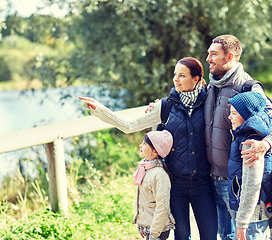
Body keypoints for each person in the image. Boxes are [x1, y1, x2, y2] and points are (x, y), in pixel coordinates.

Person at [79, 57, 218, 240]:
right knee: (182, 236)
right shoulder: (165, 106)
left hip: (203, 184)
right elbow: (129, 125)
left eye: (182, 75)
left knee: (210, 235)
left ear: (197, 79)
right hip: (176, 185)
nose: (176, 79)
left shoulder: (209, 102)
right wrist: (100, 110)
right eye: (175, 74)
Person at [204, 34, 272, 240]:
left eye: (213, 54)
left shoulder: (249, 88)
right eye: (208, 54)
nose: (208, 58)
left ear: (230, 56)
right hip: (213, 180)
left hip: (239, 185)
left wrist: (265, 144)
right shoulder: (211, 86)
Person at [227, 91, 272, 240]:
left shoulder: (250, 143)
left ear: (246, 116)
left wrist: (242, 222)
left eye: (234, 113)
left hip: (253, 214)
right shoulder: (248, 135)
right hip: (253, 211)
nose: (230, 117)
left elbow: (251, 184)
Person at [132, 130, 175, 240]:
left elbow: (162, 206)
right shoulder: (145, 168)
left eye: (144, 144)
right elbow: (144, 200)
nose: (140, 145)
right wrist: (141, 223)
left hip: (157, 229)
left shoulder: (159, 175)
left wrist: (154, 234)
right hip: (149, 226)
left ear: (155, 151)